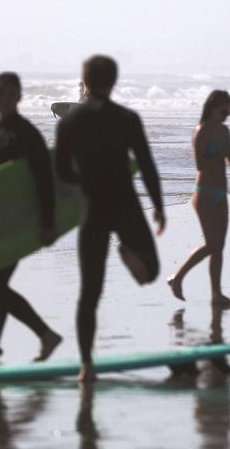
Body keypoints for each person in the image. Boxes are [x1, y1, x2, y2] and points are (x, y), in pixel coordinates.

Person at [55, 55, 165, 382]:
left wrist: (83, 182)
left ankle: (86, 365)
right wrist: (158, 205)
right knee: (152, 272)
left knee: (89, 292)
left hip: (93, 206)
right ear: (114, 81)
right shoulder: (127, 118)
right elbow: (145, 163)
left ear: (84, 79)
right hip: (125, 202)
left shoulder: (71, 122)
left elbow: (61, 171)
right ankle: (130, 253)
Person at [0, 72, 62, 367]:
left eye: (10, 93)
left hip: (19, 222)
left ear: (19, 97)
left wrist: (48, 223)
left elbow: (45, 180)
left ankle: (44, 335)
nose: (4, 98)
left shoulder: (27, 134)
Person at [167, 90, 230, 307]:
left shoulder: (224, 130)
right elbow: (200, 165)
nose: (227, 114)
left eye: (229, 111)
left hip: (221, 192)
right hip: (204, 192)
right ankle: (177, 277)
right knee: (212, 244)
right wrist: (224, 151)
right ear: (213, 107)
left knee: (219, 246)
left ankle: (217, 294)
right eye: (225, 110)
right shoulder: (201, 131)